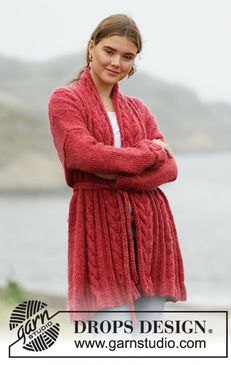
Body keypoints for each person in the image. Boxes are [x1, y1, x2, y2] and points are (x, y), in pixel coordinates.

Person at [48, 13, 187, 335]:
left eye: (127, 57)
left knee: (150, 341)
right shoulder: (65, 100)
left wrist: (122, 176)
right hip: (100, 227)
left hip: (152, 231)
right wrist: (151, 152)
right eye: (109, 51)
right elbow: (84, 154)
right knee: (112, 338)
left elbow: (170, 168)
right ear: (91, 47)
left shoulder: (139, 107)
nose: (116, 63)